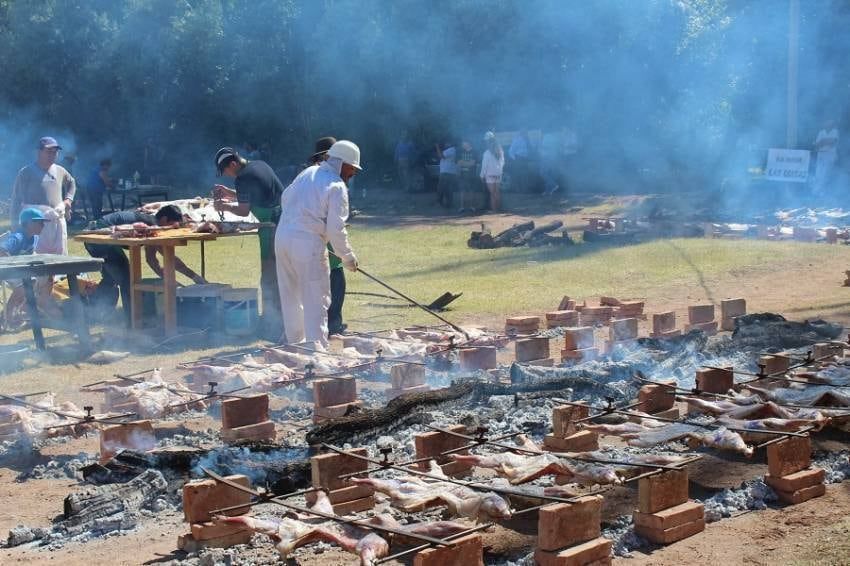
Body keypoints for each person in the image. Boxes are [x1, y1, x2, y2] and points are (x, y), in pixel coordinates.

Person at [274, 140, 359, 347]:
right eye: (352, 168)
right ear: (342, 163)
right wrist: (347, 256)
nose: (353, 173)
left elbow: (286, 199)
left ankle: (296, 347)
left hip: (282, 237)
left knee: (290, 297)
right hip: (307, 243)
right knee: (315, 299)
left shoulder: (307, 173)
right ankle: (316, 353)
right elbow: (336, 229)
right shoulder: (336, 186)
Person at [83, 205, 204, 325]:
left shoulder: (151, 223)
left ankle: (90, 313)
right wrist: (193, 277)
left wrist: (168, 281)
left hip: (92, 236)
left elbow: (151, 260)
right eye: (172, 225)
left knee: (111, 278)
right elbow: (169, 258)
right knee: (127, 280)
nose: (171, 230)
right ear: (165, 219)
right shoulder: (153, 226)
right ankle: (133, 323)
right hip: (98, 236)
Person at [213, 147, 285, 339]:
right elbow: (257, 195)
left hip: (271, 226)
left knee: (270, 278)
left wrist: (224, 206)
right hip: (285, 222)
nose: (227, 175)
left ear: (233, 164)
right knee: (281, 275)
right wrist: (230, 193)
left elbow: (244, 211)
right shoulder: (258, 165)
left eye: (226, 171)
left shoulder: (242, 178)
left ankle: (274, 323)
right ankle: (277, 320)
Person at [306, 137, 347, 336]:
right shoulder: (321, 176)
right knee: (333, 279)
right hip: (319, 237)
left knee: (335, 278)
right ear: (325, 156)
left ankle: (334, 323)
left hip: (322, 234)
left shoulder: (312, 175)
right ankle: (332, 325)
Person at [9, 136, 76, 255]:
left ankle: (56, 273)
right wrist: (14, 224)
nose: (53, 155)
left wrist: (68, 201)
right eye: (49, 152)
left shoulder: (60, 170)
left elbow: (72, 183)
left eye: (55, 152)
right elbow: (16, 200)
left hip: (56, 221)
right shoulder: (26, 172)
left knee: (58, 257)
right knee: (37, 258)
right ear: (39, 152)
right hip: (36, 223)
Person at [0, 208, 47, 330]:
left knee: (38, 281)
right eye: (40, 222)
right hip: (6, 269)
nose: (43, 225)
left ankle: (14, 313)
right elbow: (2, 250)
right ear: (29, 223)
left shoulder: (34, 238)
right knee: (24, 286)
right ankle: (8, 317)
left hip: (19, 271)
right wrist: (15, 265)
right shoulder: (18, 236)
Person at [480, 131, 505, 211]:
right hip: (498, 174)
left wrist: (482, 175)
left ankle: (494, 211)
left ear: (487, 141)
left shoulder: (487, 153)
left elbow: (484, 166)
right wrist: (500, 171)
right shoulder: (500, 150)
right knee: (497, 192)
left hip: (490, 175)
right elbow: (503, 162)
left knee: (492, 194)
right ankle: (499, 209)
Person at [813, 119, 839, 196]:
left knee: (826, 174)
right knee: (818, 173)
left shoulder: (835, 131)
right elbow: (817, 145)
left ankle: (825, 192)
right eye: (826, 122)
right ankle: (817, 191)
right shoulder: (821, 132)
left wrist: (823, 141)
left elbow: (832, 143)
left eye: (829, 122)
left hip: (830, 155)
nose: (827, 123)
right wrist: (824, 142)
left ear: (832, 123)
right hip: (821, 155)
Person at [457, 140, 479, 213]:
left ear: (468, 143)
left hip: (472, 175)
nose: (462, 144)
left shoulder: (475, 152)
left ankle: (472, 207)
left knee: (471, 191)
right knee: (462, 191)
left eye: (463, 143)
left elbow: (472, 163)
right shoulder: (460, 152)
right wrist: (467, 163)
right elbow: (458, 163)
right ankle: (462, 207)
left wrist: (464, 163)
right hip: (462, 174)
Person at [436, 140, 459, 208]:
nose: (445, 144)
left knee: (441, 188)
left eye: (447, 143)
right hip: (450, 172)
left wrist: (437, 147)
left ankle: (440, 203)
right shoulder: (453, 150)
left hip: (446, 172)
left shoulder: (450, 150)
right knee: (448, 189)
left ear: (450, 143)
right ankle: (449, 204)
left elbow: (440, 156)